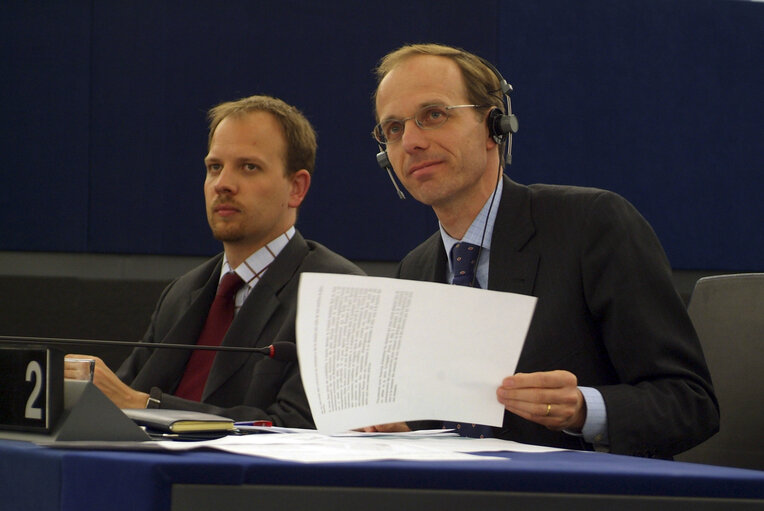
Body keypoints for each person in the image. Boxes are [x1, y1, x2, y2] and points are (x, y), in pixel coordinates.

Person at [366, 43, 718, 458]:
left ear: (493, 126)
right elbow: (452, 425)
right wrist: (403, 429)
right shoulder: (416, 269)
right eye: (393, 129)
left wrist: (585, 409)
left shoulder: (591, 225)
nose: (410, 142)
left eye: (433, 115)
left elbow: (691, 404)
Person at [66, 95, 363, 427]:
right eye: (214, 167)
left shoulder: (339, 293)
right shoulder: (183, 292)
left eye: (249, 167)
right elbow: (119, 398)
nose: (223, 184)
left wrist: (146, 405)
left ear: (296, 188)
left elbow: (297, 426)